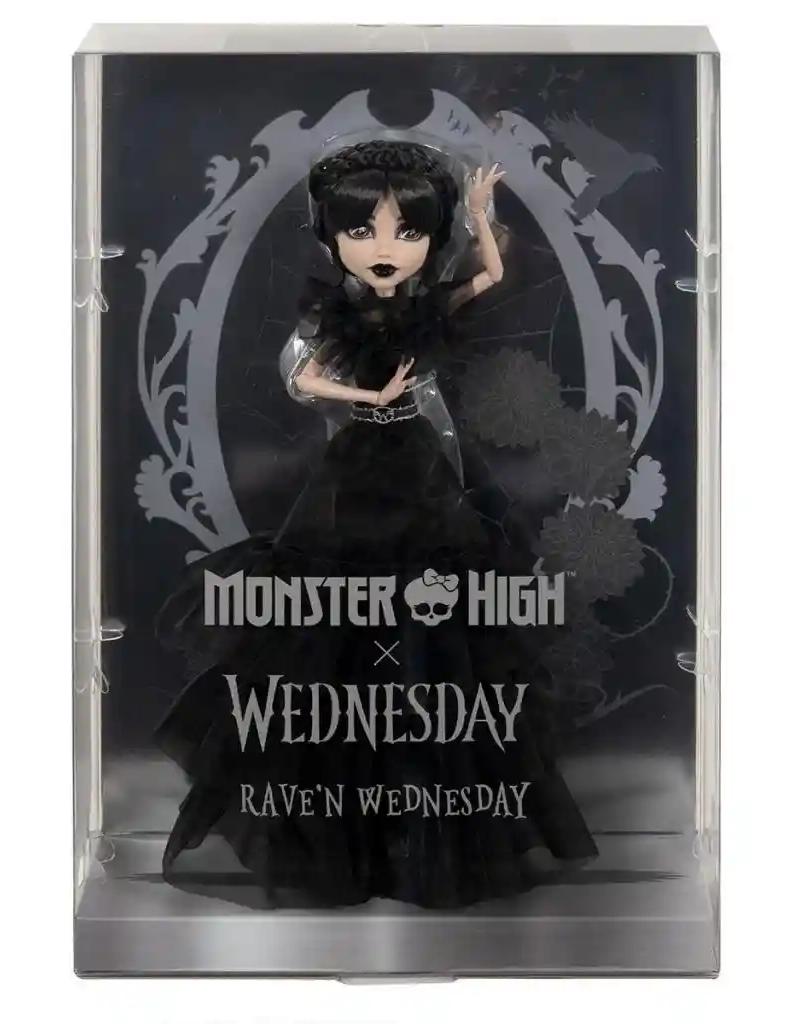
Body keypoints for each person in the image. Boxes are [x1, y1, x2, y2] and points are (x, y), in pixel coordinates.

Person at [155, 140, 597, 909]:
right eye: (362, 230)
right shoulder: (333, 314)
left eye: (407, 231)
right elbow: (302, 378)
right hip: (357, 463)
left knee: (439, 614)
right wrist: (369, 398)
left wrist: (480, 216)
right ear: (330, 237)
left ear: (430, 239)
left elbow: (489, 276)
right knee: (327, 612)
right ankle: (335, 821)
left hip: (418, 462)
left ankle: (433, 813)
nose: (385, 248)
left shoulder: (426, 306)